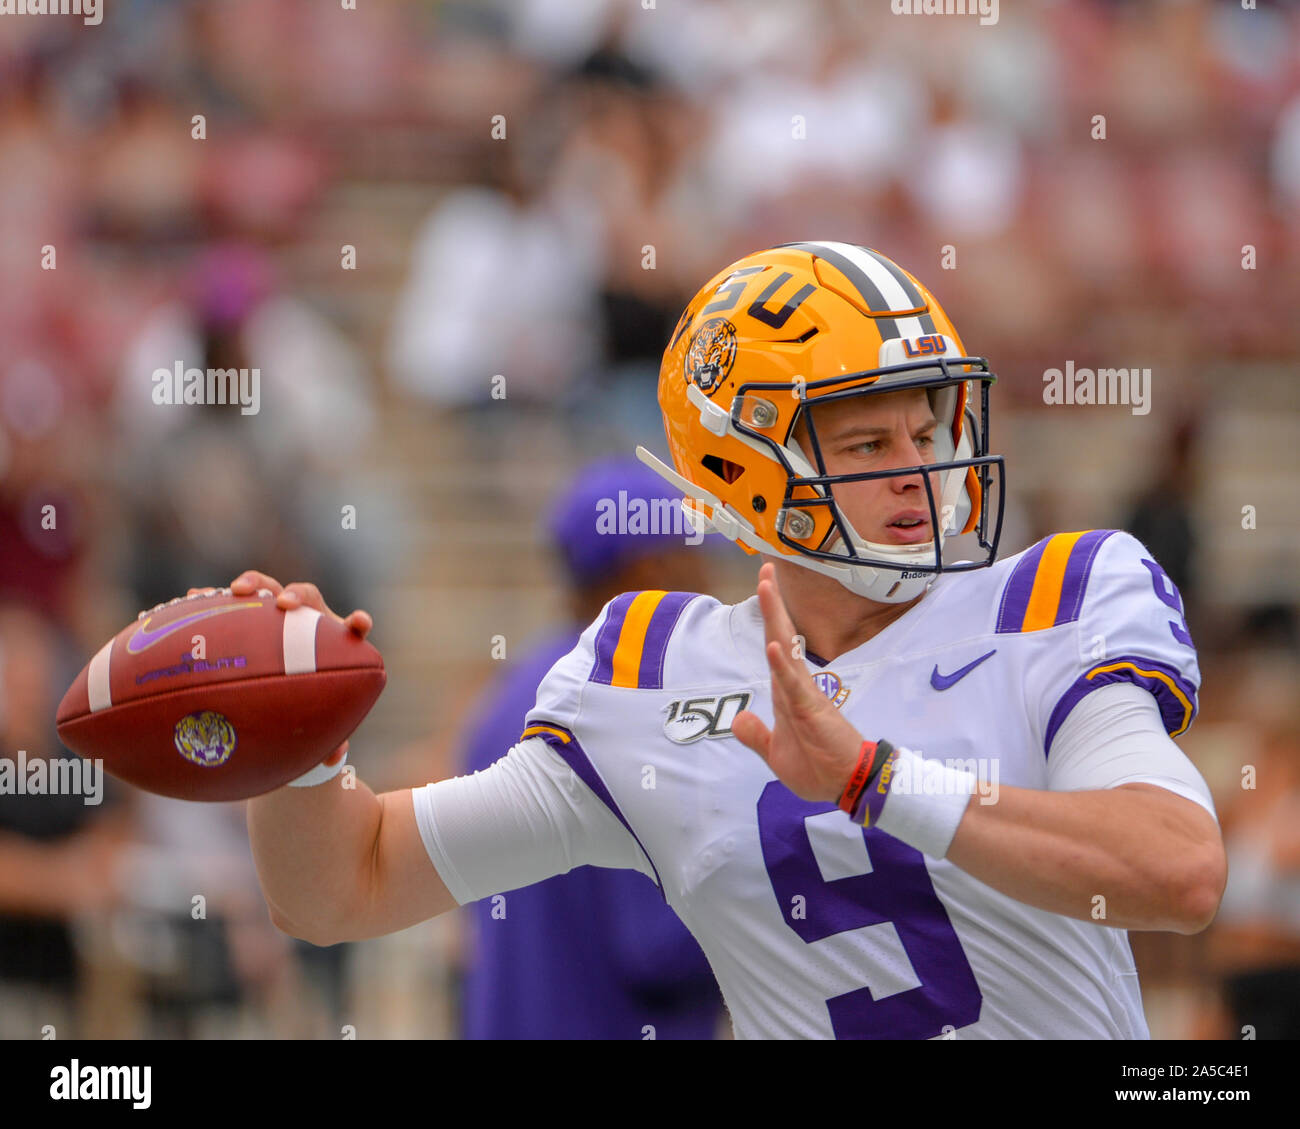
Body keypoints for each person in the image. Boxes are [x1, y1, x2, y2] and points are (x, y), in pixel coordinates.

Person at [237, 241, 1227, 1039]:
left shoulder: (1050, 602)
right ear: (743, 467)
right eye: (867, 444)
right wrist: (291, 739)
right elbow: (342, 886)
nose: (917, 471)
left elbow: (1177, 869)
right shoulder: (648, 677)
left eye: (926, 432)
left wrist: (873, 781)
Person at [453, 457, 722, 1038]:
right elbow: (658, 947)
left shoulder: (506, 696)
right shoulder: (633, 702)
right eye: (697, 559)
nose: (712, 588)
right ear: (652, 569)